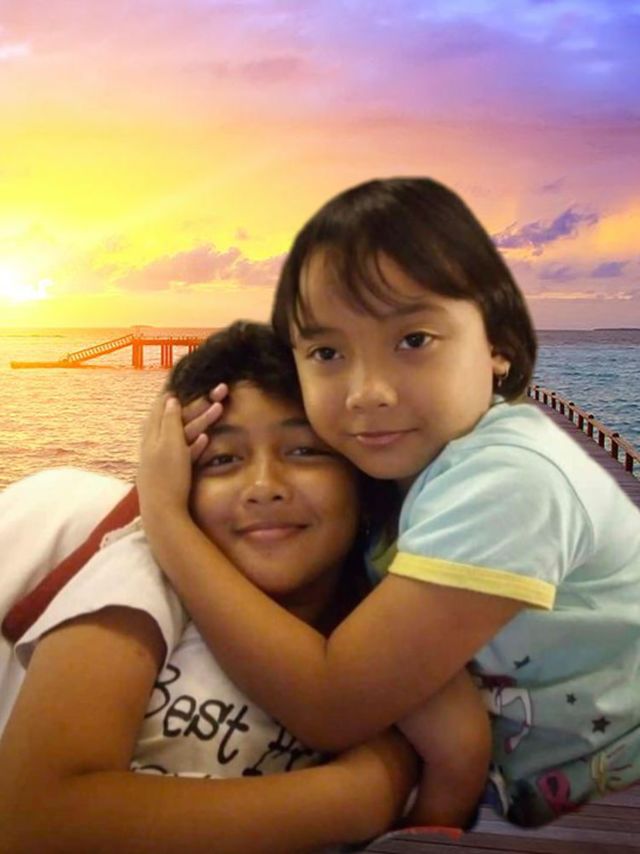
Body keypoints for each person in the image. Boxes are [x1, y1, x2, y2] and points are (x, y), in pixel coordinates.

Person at [136, 178, 640, 829]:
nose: (367, 391)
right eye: (327, 352)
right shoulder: (396, 482)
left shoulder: (512, 480)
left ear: (497, 347)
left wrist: (165, 516)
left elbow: (332, 704)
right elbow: (449, 730)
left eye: (414, 340)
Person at [0, 322, 419, 853]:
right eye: (222, 460)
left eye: (305, 451)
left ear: (364, 480)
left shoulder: (370, 619)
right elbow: (32, 818)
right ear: (178, 485)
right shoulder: (148, 573)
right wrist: (354, 798)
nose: (263, 487)